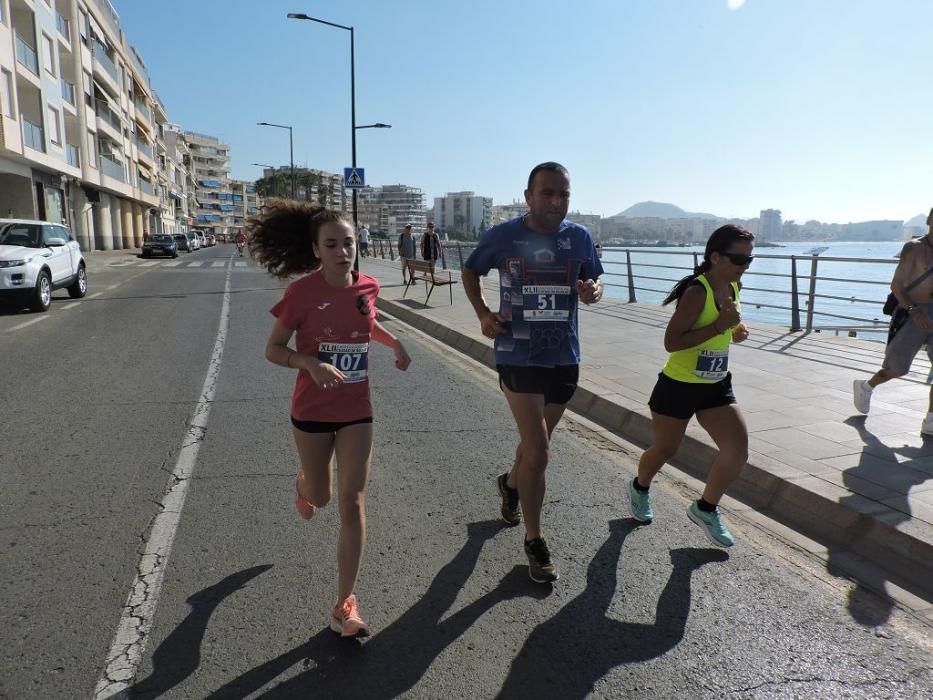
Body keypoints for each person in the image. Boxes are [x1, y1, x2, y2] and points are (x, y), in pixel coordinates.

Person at [251, 200, 412, 637]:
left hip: (358, 410)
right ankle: (305, 482)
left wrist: (394, 342)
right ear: (316, 250)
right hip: (312, 410)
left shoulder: (369, 287)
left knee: (352, 500)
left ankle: (344, 604)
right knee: (321, 498)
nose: (343, 252)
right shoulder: (301, 294)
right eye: (332, 245)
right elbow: (273, 349)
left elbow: (366, 321)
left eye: (349, 243)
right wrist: (308, 363)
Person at [462, 162, 603, 583]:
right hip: (518, 354)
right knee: (540, 452)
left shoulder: (578, 237)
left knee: (531, 448)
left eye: (564, 194)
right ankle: (534, 538)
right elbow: (471, 270)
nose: (557, 202)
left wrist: (592, 291)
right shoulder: (505, 235)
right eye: (548, 193)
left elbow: (594, 284)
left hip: (563, 357)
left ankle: (509, 484)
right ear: (528, 196)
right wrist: (483, 314)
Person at [628, 224, 754, 547]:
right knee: (666, 449)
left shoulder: (734, 284)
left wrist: (735, 329)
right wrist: (719, 326)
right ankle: (640, 487)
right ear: (715, 257)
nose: (744, 266)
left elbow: (727, 321)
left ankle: (705, 508)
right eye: (739, 259)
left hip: (715, 385)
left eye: (749, 260)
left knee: (737, 450)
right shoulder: (697, 292)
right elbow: (672, 342)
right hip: (679, 386)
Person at [853, 208, 933, 434]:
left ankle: (930, 419)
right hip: (912, 313)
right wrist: (913, 310)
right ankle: (866, 387)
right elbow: (896, 286)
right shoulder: (915, 248)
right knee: (896, 369)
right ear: (929, 220)